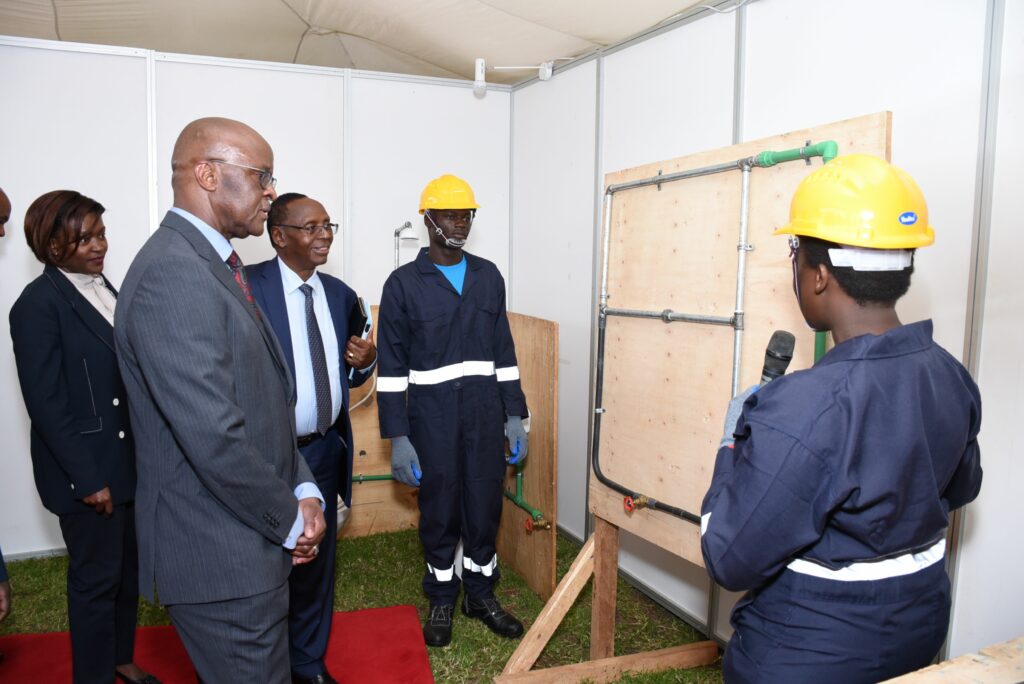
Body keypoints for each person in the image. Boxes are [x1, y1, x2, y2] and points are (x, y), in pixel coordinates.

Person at [701, 154, 983, 683]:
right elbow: (960, 486)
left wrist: (732, 445)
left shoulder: (803, 407)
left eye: (795, 254)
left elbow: (727, 556)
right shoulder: (951, 376)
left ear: (820, 276)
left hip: (806, 653)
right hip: (917, 632)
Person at [113, 117, 327, 683]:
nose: (271, 192)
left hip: (244, 545)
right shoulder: (173, 274)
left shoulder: (212, 264)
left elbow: (265, 407)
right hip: (220, 558)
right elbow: (214, 436)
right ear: (206, 174)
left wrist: (302, 486)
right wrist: (290, 518)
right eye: (261, 176)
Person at [9, 190, 159, 684]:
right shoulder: (36, 305)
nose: (100, 245)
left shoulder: (103, 287)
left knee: (128, 576)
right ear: (53, 247)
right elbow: (46, 404)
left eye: (101, 233)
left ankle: (120, 658)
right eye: (85, 238)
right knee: (96, 580)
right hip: (90, 472)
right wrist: (87, 478)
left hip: (129, 462)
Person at [376, 174, 530, 647]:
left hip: (485, 417)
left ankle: (480, 595)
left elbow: (503, 352)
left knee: (484, 506)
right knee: (440, 510)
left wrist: (514, 415)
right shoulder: (403, 285)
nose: (459, 222)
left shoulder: (488, 276)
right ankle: (442, 597)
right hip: (433, 421)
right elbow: (391, 370)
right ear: (428, 219)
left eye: (466, 214)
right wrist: (398, 437)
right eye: (449, 214)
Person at [247, 193, 377, 684]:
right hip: (262, 455)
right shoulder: (246, 288)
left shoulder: (341, 295)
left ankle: (307, 661)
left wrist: (365, 363)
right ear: (279, 236)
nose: (324, 234)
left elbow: (350, 372)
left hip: (323, 451)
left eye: (329, 225)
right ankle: (267, 662)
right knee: (266, 564)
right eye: (311, 226)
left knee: (315, 564)